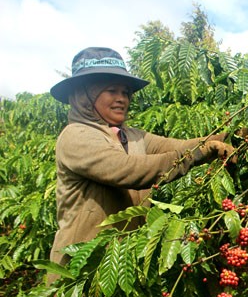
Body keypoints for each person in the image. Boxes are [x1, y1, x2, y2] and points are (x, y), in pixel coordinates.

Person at [48, 47, 236, 280]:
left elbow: (178, 147)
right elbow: (129, 171)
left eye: (125, 92)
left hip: (124, 262)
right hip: (82, 270)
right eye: (111, 91)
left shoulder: (131, 136)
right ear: (84, 95)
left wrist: (231, 135)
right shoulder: (76, 136)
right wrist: (200, 153)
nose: (122, 99)